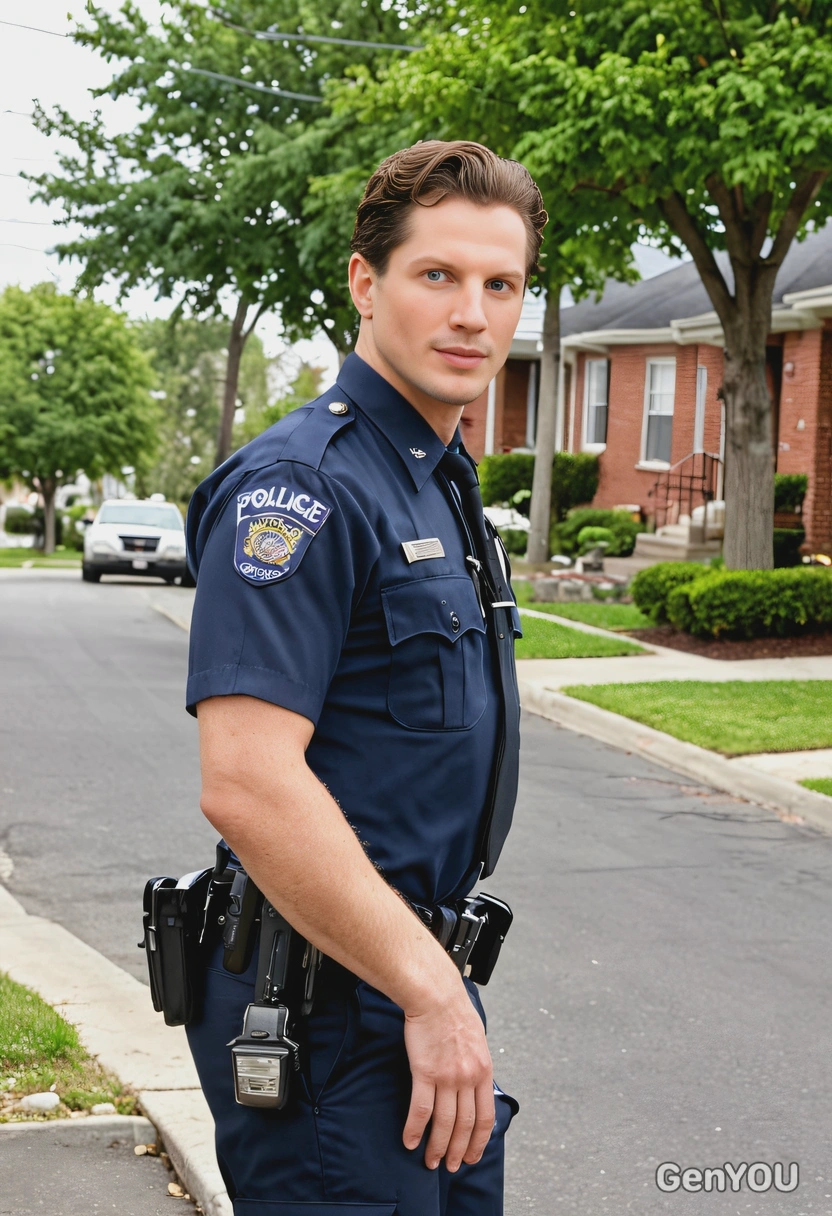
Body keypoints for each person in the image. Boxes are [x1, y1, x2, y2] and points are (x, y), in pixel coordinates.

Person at [184, 139, 547, 1216]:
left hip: (406, 988)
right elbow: (247, 780)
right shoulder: (304, 488)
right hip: (329, 1008)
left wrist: (438, 994)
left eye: (500, 284)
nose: (472, 314)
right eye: (436, 275)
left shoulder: (430, 480)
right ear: (364, 280)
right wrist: (432, 991)